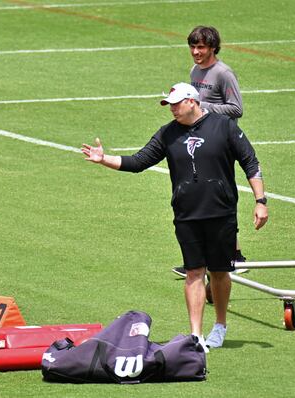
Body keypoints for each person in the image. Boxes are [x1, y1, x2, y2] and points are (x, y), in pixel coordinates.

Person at [81, 82, 268, 349]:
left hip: (221, 213)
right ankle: (195, 335)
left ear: (192, 101)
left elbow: (250, 161)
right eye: (169, 105)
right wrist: (104, 159)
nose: (173, 109)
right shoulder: (167, 134)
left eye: (177, 104)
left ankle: (220, 325)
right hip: (186, 214)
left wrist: (261, 201)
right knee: (194, 272)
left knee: (219, 271)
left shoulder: (224, 127)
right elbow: (138, 162)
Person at [173, 25, 246, 278]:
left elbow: (236, 109)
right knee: (202, 193)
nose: (196, 52)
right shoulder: (195, 70)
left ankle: (234, 256)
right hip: (199, 138)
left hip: (220, 139)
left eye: (201, 47)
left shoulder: (223, 73)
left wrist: (202, 106)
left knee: (220, 193)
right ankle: (200, 259)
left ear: (213, 47)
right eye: (193, 47)